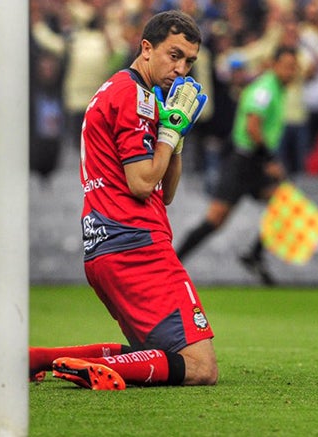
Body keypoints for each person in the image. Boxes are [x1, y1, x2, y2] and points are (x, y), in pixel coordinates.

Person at [29, 10, 217, 390]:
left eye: (190, 61)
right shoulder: (134, 97)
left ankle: (45, 360)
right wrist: (167, 133)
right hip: (135, 244)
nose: (181, 69)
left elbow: (167, 193)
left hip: (107, 247)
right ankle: (83, 369)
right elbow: (142, 184)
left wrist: (175, 137)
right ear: (146, 48)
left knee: (150, 351)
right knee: (199, 366)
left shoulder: (130, 93)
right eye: (174, 55)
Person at [175, 46, 301, 285]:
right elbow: (252, 127)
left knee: (285, 201)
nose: (290, 71)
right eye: (286, 65)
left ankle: (254, 255)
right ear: (273, 65)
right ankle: (172, 263)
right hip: (244, 162)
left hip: (253, 162)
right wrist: (270, 159)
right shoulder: (265, 89)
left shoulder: (276, 89)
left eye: (293, 67)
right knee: (216, 219)